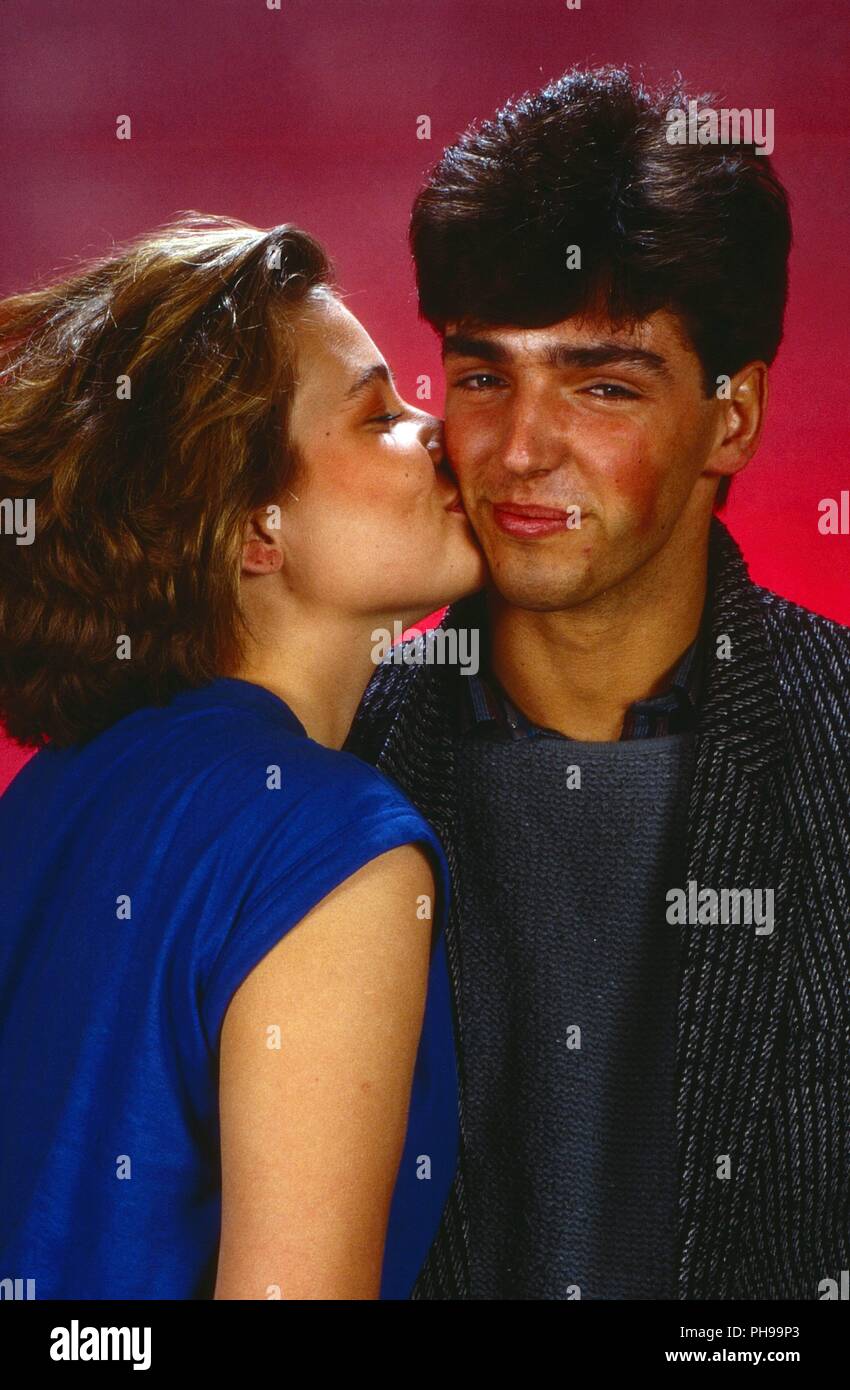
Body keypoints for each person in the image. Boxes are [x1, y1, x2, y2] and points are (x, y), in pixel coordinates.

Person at [347, 65, 850, 1300]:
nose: (519, 448)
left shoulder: (835, 742)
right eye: (481, 375)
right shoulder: (329, 755)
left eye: (602, 384)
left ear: (730, 421)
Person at [0, 213, 485, 1299]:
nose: (443, 432)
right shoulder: (333, 848)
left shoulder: (47, 797)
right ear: (252, 529)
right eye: (377, 417)